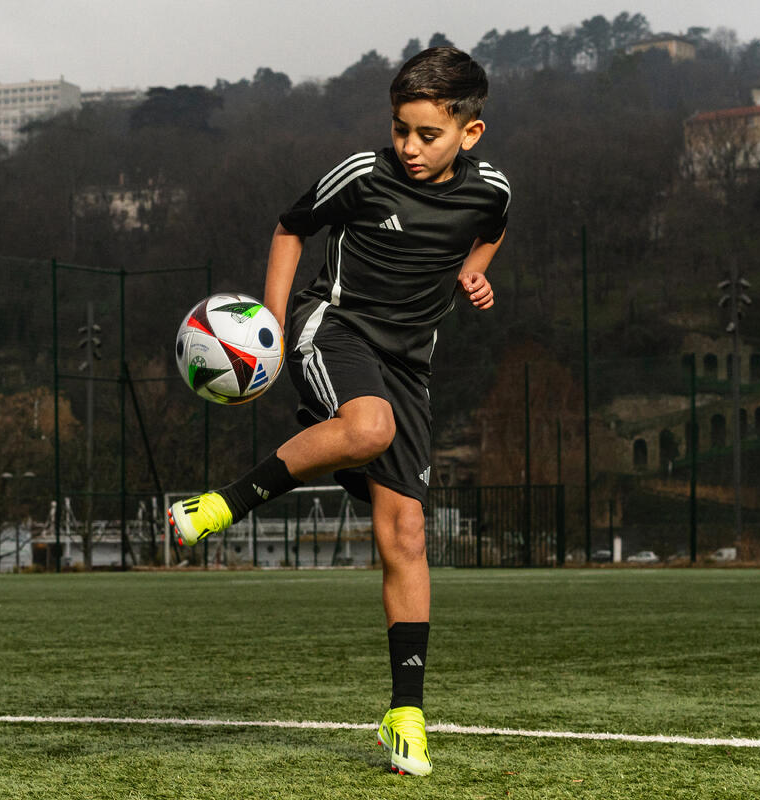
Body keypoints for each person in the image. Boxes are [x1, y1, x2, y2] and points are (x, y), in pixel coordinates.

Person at [169, 46, 510, 776]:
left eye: (427, 134)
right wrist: (273, 321)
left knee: (409, 533)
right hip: (337, 326)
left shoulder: (491, 190)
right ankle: (225, 503)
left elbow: (492, 228)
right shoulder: (364, 175)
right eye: (401, 129)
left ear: (469, 134)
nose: (409, 147)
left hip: (411, 361)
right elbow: (292, 226)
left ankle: (406, 716)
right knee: (369, 427)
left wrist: (475, 274)